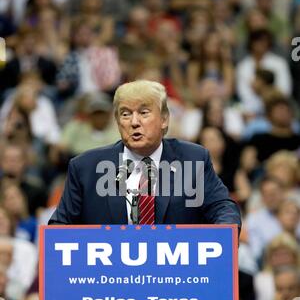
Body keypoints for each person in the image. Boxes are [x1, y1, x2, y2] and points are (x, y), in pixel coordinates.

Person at [49, 80, 241, 227]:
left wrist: (222, 235)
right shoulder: (85, 168)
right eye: (125, 114)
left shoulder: (193, 159)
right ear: (117, 122)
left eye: (143, 113)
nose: (134, 122)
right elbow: (59, 227)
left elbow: (223, 208)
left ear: (164, 119)